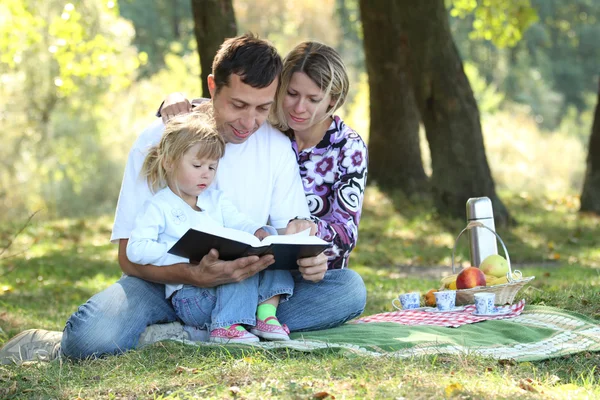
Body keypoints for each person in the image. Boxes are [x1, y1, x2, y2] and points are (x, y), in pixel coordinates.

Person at [0, 33, 366, 364]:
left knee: (347, 290)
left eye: (261, 108)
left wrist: (307, 255)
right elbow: (128, 256)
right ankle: (214, 330)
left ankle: (183, 335)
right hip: (163, 285)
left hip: (243, 287)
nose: (249, 122)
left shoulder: (275, 145)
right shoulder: (159, 139)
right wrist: (193, 274)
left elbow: (289, 233)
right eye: (238, 104)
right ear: (212, 86)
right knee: (87, 339)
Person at [161, 41, 368, 270]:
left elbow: (347, 232)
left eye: (313, 99)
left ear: (333, 99)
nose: (299, 107)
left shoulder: (347, 147)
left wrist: (310, 229)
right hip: (255, 252)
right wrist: (175, 102)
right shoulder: (265, 124)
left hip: (312, 266)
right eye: (291, 93)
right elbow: (223, 105)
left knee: (350, 286)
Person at [127, 110, 293, 343]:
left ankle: (266, 315)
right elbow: (136, 249)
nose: (206, 174)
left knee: (272, 257)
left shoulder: (215, 200)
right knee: (234, 269)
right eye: (197, 165)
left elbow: (239, 222)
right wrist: (183, 254)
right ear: (169, 162)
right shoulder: (159, 206)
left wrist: (257, 232)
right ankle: (225, 326)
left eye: (212, 167)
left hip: (220, 290)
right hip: (191, 296)